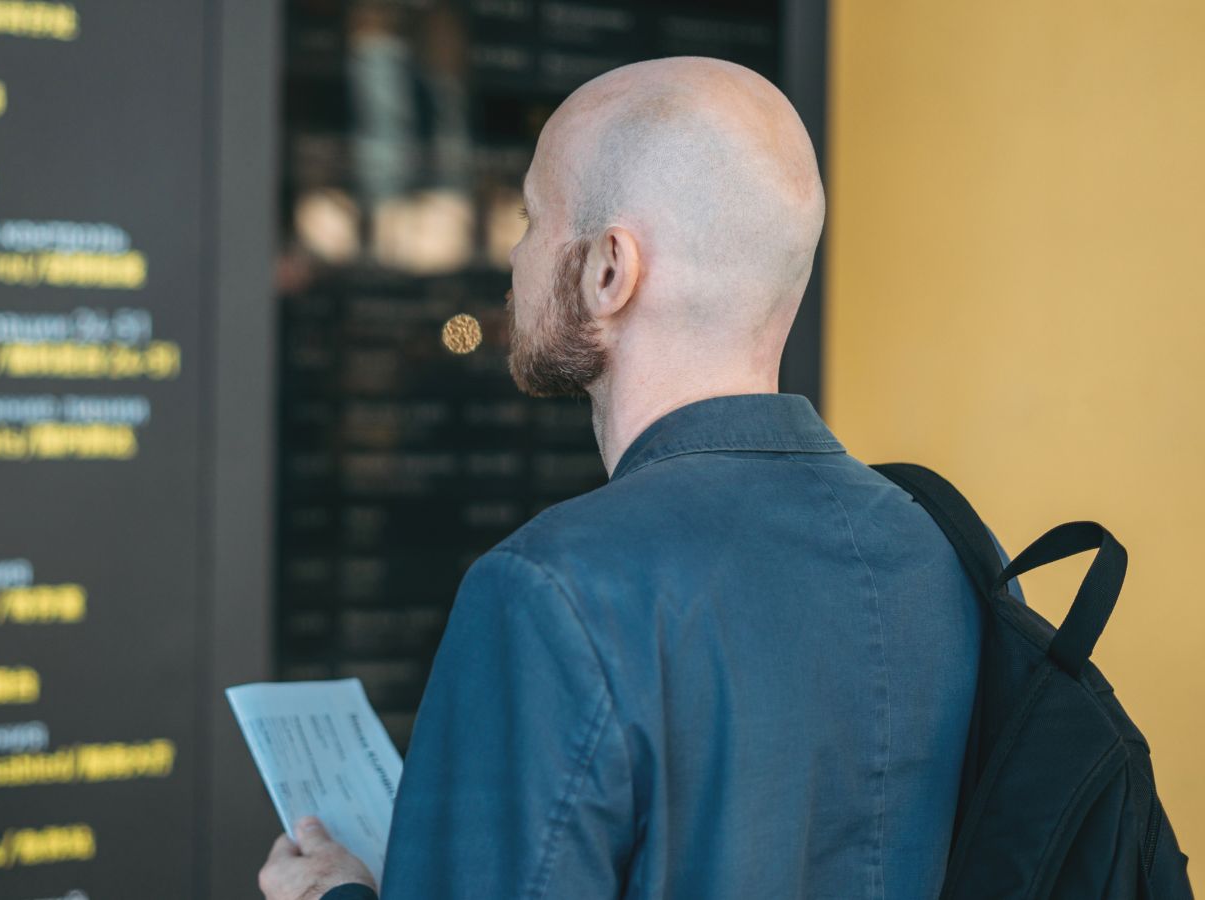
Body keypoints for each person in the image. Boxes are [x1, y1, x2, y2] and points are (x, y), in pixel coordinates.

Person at [260, 55, 982, 900]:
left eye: (531, 219)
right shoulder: (936, 551)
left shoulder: (546, 592)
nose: (516, 257)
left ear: (611, 270)